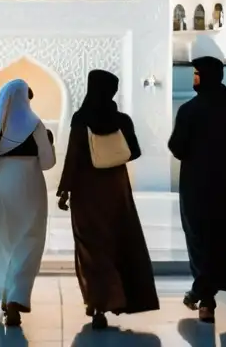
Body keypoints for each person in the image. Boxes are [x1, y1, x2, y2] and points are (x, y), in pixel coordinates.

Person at [57, 69, 159, 330]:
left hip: (86, 190)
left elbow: (74, 156)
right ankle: (117, 298)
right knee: (116, 240)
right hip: (115, 189)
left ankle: (97, 302)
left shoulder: (81, 119)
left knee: (91, 245)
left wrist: (64, 189)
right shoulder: (122, 120)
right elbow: (133, 152)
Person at [169, 56, 226, 323]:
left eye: (196, 73)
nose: (193, 78)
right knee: (222, 240)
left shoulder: (189, 110)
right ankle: (201, 294)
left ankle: (203, 297)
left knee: (200, 240)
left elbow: (177, 148)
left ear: (205, 76)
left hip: (196, 187)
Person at [0, 78, 56, 327]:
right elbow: (48, 163)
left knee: (4, 239)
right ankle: (16, 298)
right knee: (30, 239)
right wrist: (48, 141)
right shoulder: (36, 126)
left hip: (2, 183)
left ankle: (4, 292)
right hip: (30, 184)